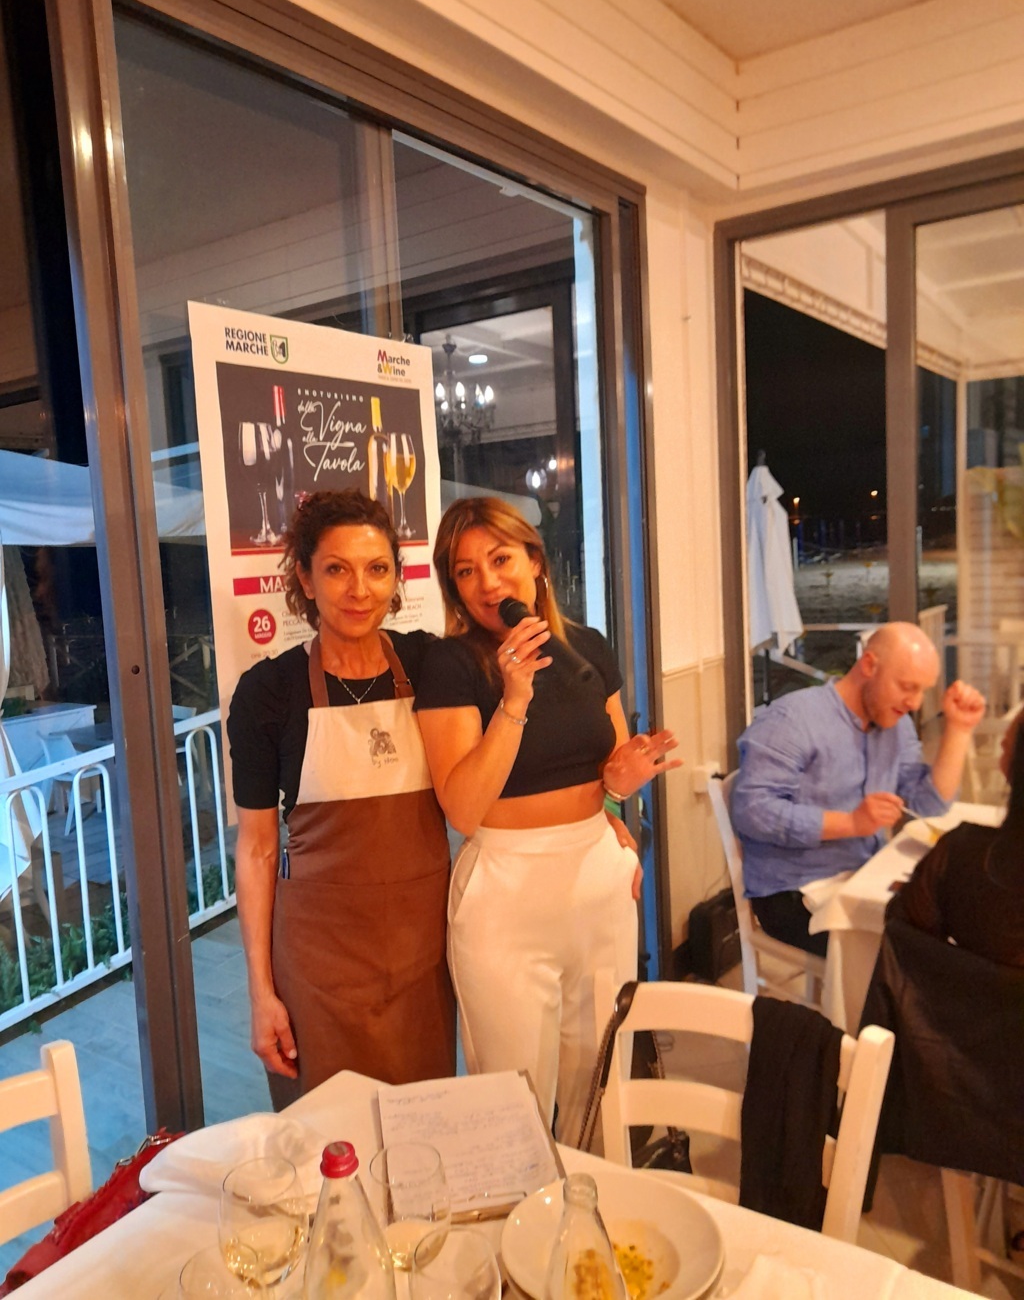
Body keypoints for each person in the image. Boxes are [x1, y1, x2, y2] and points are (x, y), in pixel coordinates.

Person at [414, 496, 681, 1145]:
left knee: (601, 1082)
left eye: (500, 560)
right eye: (466, 571)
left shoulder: (587, 647)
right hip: (504, 889)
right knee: (513, 1100)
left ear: (535, 562)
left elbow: (608, 766)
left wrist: (619, 796)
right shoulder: (450, 665)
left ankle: (594, 1204)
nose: (488, 583)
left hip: (598, 879)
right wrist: (513, 697)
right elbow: (463, 808)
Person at [227, 490, 455, 1109]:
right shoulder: (268, 692)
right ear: (305, 578)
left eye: (377, 569)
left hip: (423, 956)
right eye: (336, 569)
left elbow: (509, 764)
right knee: (324, 1137)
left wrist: (605, 810)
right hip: (317, 966)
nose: (359, 590)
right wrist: (261, 993)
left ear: (396, 578)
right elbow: (256, 849)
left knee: (422, 1129)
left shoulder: (430, 666)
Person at [731, 622, 986, 956]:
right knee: (917, 953)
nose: (914, 702)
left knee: (960, 921)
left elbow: (926, 807)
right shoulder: (793, 719)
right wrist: (850, 823)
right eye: (907, 687)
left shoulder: (896, 725)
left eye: (923, 691)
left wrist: (959, 729)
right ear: (868, 665)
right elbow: (751, 811)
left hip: (863, 873)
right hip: (793, 893)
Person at [901, 705, 1024, 966]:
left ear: (1010, 767)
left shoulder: (959, 855)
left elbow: (903, 938)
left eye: (1005, 747)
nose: (915, 703)